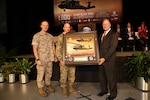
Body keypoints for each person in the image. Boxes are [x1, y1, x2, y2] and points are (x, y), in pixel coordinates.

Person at [31, 20, 57, 97]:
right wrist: (37, 59)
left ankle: (48, 85)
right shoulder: (37, 36)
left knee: (49, 73)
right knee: (41, 74)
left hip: (49, 58)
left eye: (47, 25)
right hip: (41, 58)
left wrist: (55, 56)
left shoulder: (50, 36)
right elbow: (34, 48)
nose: (46, 27)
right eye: (44, 25)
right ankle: (41, 88)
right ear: (41, 26)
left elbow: (53, 47)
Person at [97, 19, 118, 100]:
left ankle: (113, 94)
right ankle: (104, 90)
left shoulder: (114, 34)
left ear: (110, 25)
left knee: (111, 78)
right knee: (102, 77)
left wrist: (104, 58)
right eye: (103, 24)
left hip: (109, 60)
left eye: (106, 24)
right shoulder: (101, 34)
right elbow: (99, 47)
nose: (104, 25)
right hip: (100, 59)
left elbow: (112, 48)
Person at [56, 23, 78, 98]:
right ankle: (64, 89)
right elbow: (58, 50)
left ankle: (70, 87)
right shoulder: (60, 37)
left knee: (72, 75)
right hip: (64, 60)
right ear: (63, 28)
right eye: (66, 27)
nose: (68, 29)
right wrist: (60, 60)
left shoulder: (73, 36)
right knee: (63, 76)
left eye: (69, 27)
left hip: (71, 60)